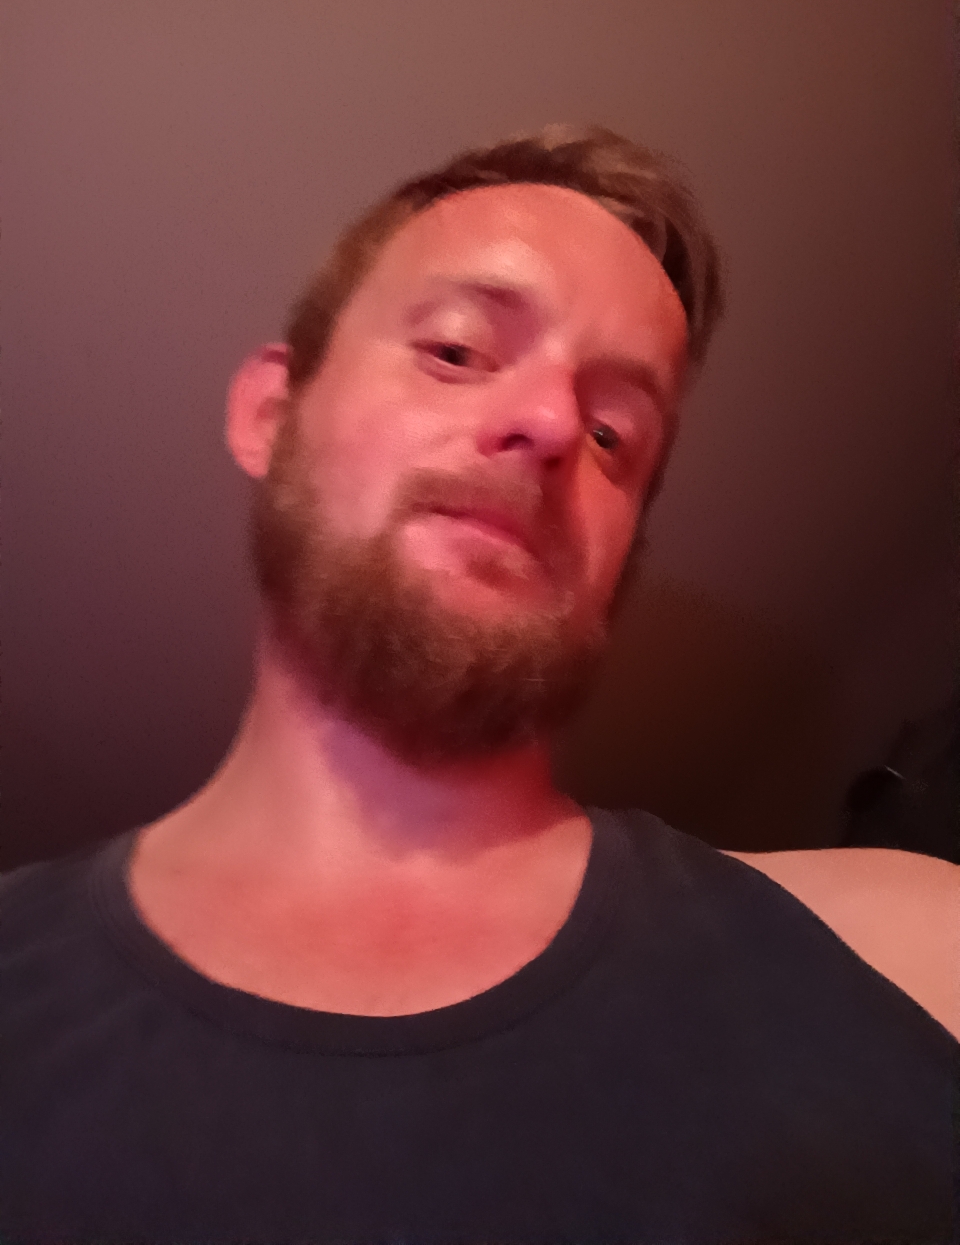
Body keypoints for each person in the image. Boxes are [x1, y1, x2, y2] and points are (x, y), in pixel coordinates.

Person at [2, 126, 957, 1245]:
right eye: (456, 350)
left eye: (614, 434)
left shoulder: (912, 955)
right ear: (273, 410)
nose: (552, 426)